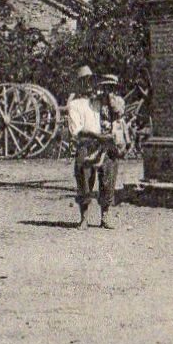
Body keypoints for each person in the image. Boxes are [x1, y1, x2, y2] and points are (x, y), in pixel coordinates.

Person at [66, 67, 120, 228]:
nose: (88, 84)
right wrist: (97, 136)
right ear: (79, 84)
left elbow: (117, 113)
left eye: (90, 81)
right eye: (84, 81)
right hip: (86, 145)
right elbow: (76, 130)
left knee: (108, 179)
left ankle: (105, 216)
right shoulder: (74, 105)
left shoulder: (100, 101)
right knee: (84, 180)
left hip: (106, 144)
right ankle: (84, 218)